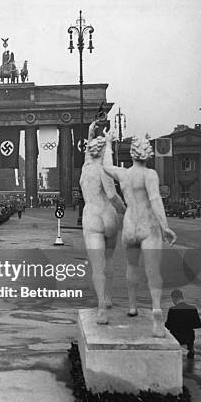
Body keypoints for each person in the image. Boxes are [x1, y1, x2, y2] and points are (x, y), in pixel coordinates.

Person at [103, 133, 177, 337]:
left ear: (132, 153)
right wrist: (165, 226)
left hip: (129, 225)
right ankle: (156, 311)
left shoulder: (124, 174)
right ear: (148, 154)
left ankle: (132, 305)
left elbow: (107, 167)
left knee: (132, 266)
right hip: (147, 225)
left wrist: (108, 143)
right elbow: (155, 200)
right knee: (153, 270)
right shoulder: (150, 174)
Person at [80, 121, 126, 324]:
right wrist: (127, 210)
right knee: (109, 261)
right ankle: (108, 298)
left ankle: (101, 308)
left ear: (89, 152)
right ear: (103, 152)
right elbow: (112, 195)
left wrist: (90, 132)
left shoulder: (85, 170)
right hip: (108, 216)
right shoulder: (104, 170)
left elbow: (87, 153)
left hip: (91, 215)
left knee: (97, 267)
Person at [165, 289, 201, 359]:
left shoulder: (172, 310)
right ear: (182, 297)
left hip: (177, 338)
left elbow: (168, 326)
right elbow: (198, 325)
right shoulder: (192, 308)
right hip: (189, 338)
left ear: (173, 298)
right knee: (190, 361)